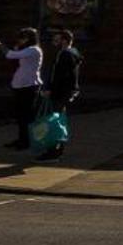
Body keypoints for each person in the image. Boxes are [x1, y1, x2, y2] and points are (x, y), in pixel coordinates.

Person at [41, 29, 83, 160]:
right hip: (66, 92)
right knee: (59, 120)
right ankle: (58, 148)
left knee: (54, 120)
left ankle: (53, 150)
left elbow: (60, 76)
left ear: (64, 41)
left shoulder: (64, 54)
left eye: (56, 40)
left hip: (60, 92)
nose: (54, 42)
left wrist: (50, 90)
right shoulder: (73, 53)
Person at [2, 28, 43, 151]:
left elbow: (10, 55)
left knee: (27, 116)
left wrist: (0, 46)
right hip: (21, 85)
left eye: (23, 38)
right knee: (21, 115)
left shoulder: (33, 50)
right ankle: (22, 139)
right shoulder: (26, 49)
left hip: (29, 86)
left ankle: (27, 141)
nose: (21, 40)